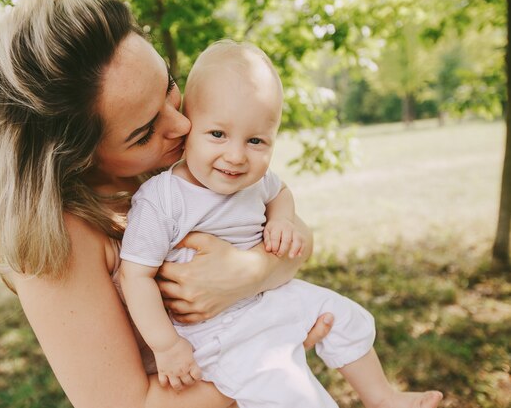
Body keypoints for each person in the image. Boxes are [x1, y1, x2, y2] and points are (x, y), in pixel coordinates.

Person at [0, 0, 334, 407]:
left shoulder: (174, 161)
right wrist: (267, 350)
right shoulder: (55, 241)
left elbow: (293, 233)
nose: (180, 123)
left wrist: (255, 273)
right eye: (143, 132)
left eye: (169, 86)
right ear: (75, 157)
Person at [119, 41, 444, 408]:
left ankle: (382, 397)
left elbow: (281, 191)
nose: (237, 156)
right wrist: (166, 345)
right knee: (293, 393)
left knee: (345, 317)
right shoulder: (162, 199)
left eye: (256, 140)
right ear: (189, 126)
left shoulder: (255, 180)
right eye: (218, 135)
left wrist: (282, 218)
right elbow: (135, 276)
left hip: (267, 297)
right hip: (216, 331)